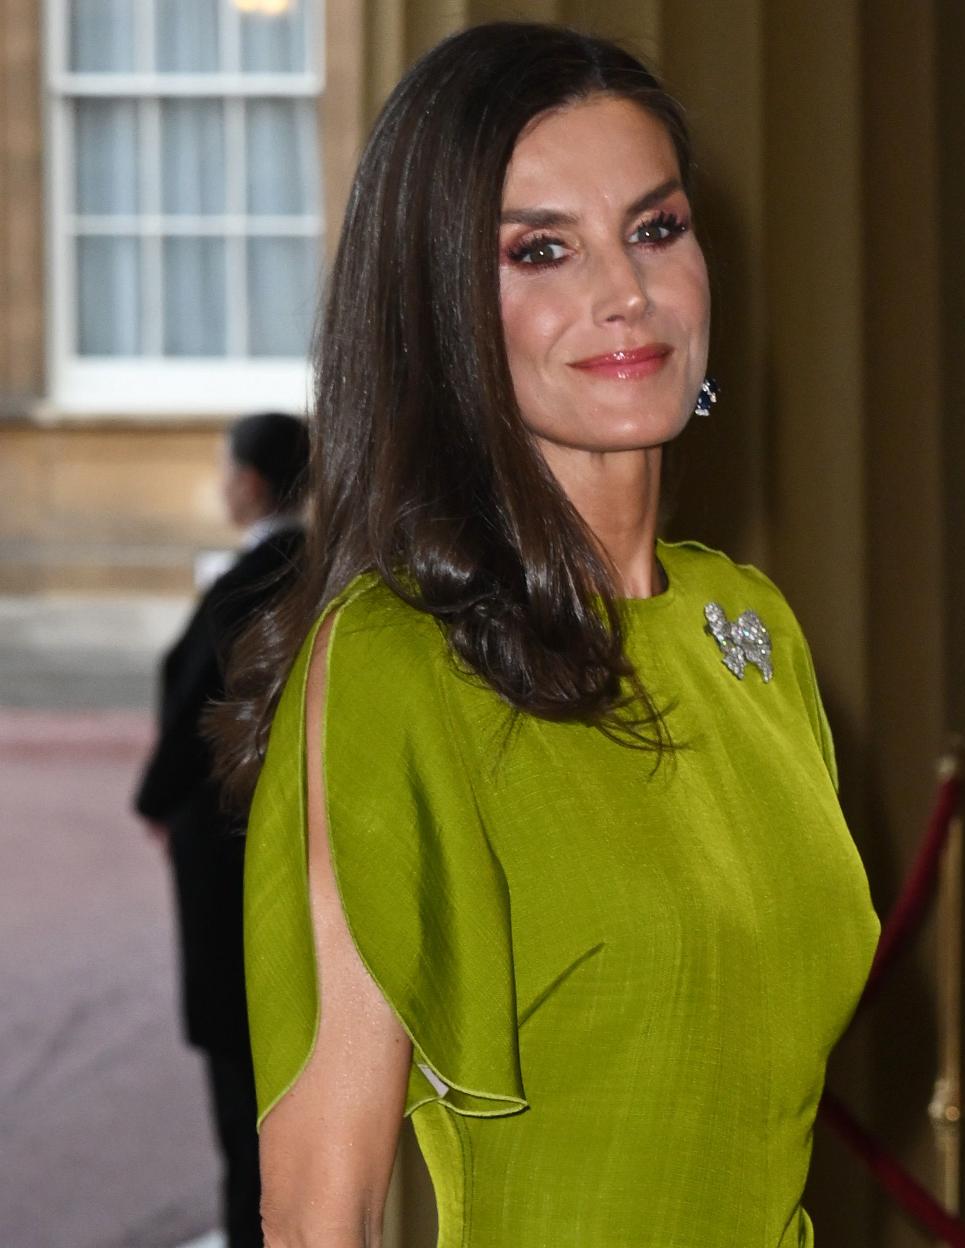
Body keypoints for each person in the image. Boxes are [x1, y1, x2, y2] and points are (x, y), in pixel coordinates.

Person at [215, 23, 878, 1248]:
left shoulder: (750, 629)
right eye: (540, 251)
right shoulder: (397, 665)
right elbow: (320, 1209)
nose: (624, 292)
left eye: (656, 228)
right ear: (443, 310)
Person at [135, 410, 309, 1248]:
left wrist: (154, 797)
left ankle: (254, 1229)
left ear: (251, 482)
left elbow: (197, 706)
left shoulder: (252, 580)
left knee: (245, 1075)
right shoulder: (317, 567)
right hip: (288, 836)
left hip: (233, 844)